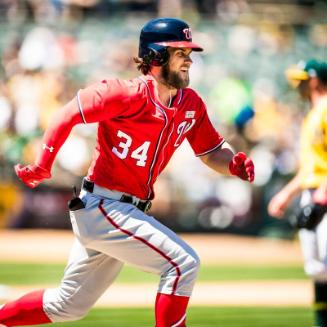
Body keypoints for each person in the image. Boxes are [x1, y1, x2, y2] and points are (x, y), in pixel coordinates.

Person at [0, 17, 254, 327]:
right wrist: (43, 164)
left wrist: (232, 164)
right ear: (156, 55)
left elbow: (211, 151)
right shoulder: (123, 93)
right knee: (182, 264)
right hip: (103, 205)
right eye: (181, 52)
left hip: (122, 211)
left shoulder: (190, 103)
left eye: (190, 53)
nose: (189, 60)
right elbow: (66, 115)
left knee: (67, 305)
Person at [268, 59, 327, 327]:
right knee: (317, 268)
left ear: (314, 80)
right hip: (312, 191)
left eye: (302, 80)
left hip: (323, 194)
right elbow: (309, 168)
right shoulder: (313, 113)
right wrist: (286, 194)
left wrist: (321, 197)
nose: (297, 85)